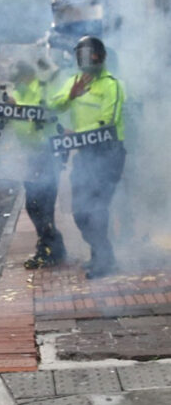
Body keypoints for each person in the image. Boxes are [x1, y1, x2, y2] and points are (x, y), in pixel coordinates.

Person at [48, 35, 126, 279]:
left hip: (108, 154)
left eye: (91, 54)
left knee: (98, 209)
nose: (87, 59)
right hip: (84, 155)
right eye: (82, 54)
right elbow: (53, 106)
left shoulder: (112, 84)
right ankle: (102, 253)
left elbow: (107, 121)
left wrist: (75, 133)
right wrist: (70, 95)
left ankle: (104, 260)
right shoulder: (74, 81)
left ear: (101, 56)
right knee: (81, 212)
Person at [8, 61, 67, 269]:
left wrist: (17, 109)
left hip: (48, 155)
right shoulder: (18, 94)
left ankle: (50, 249)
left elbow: (44, 113)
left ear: (27, 77)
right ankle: (51, 245)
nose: (16, 84)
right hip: (31, 156)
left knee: (44, 205)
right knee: (33, 205)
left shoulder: (42, 90)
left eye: (18, 80)